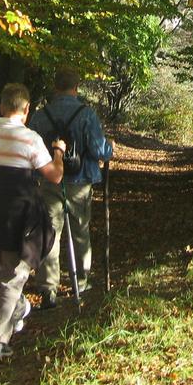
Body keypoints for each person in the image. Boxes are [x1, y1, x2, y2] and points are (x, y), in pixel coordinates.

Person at [0, 82, 63, 358]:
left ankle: (18, 306)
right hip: (20, 217)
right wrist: (58, 151)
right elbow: (54, 176)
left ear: (1, 107)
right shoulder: (30, 138)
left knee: (5, 271)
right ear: (26, 110)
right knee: (12, 276)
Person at [28, 67, 114, 308]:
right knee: (80, 231)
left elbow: (30, 147)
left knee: (50, 233)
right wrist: (110, 149)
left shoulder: (41, 115)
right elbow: (99, 151)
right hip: (80, 181)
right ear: (76, 88)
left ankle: (48, 289)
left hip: (49, 180)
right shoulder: (86, 114)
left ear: (55, 87)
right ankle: (82, 281)